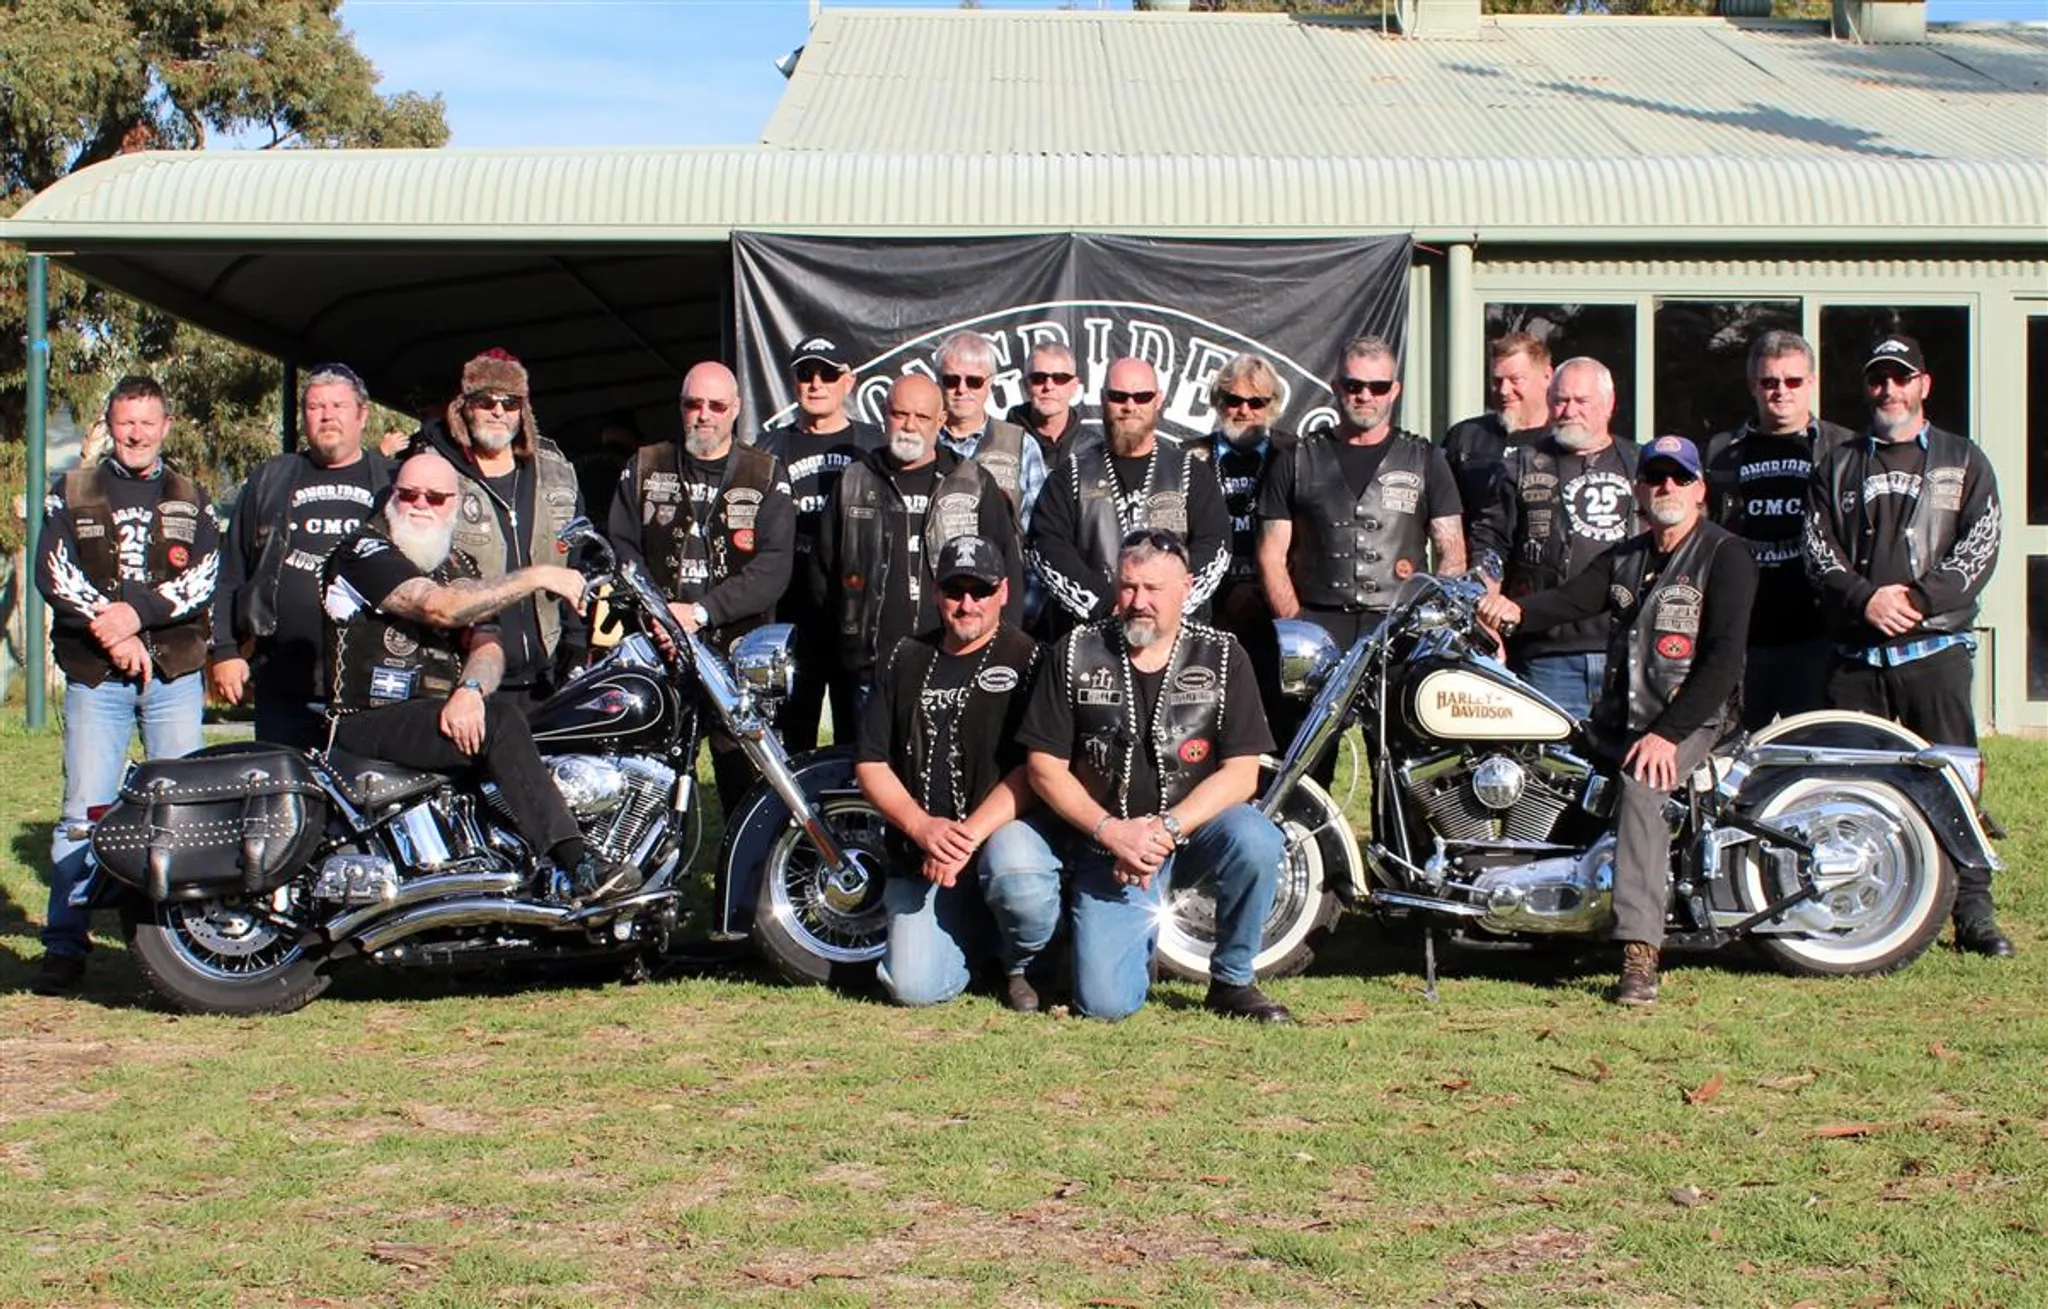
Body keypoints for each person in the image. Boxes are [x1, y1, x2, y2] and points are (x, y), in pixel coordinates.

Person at [1479, 436, 1758, 1006]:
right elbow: (1570, 600)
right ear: (1638, 489)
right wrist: (1512, 611)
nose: (1667, 488)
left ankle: (1639, 952)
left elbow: (1724, 660)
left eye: (1680, 478)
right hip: (1623, 716)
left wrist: (1668, 734)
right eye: (1655, 477)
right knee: (1547, 761)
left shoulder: (1725, 555)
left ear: (1700, 489)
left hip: (1692, 721)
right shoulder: (1629, 556)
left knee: (1641, 785)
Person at [987, 530, 1291, 1023]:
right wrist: (1114, 832)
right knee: (1106, 1006)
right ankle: (1074, 943)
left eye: (1153, 589)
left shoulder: (1223, 655)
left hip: (1189, 838)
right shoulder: (1075, 652)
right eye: (1129, 587)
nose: (1138, 602)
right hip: (1103, 847)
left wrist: (1163, 831)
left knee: (1256, 837)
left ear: (1187, 588)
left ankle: (1233, 981)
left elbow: (1242, 775)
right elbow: (1043, 769)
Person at [322, 452, 630, 899]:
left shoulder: (459, 565)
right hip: (371, 717)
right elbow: (438, 607)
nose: (420, 504)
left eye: (435, 496)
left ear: (456, 503)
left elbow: (486, 643)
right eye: (408, 494)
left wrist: (470, 690)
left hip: (437, 713)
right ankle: (578, 864)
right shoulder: (365, 551)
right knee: (502, 720)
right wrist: (539, 575)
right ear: (392, 497)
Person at [1805, 333, 2009, 957]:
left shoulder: (1963, 459)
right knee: (1850, 784)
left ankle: (1973, 910)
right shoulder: (1837, 462)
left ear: (1924, 384)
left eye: (1901, 377)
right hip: (1857, 661)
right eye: (1877, 379)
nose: (1888, 390)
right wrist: (1865, 597)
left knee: (1953, 780)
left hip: (1933, 655)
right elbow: (1817, 552)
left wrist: (1918, 599)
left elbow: (1983, 542)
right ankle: (1855, 906)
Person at [33, 374, 221, 996]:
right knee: (82, 815)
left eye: (147, 421)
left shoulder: (193, 497)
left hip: (174, 675)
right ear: (108, 425)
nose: (136, 433)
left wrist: (136, 615)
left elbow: (203, 579)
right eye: (124, 421)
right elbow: (53, 573)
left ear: (166, 426)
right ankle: (65, 948)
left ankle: (182, 943)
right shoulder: (72, 490)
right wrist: (114, 633)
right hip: (97, 677)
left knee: (180, 815)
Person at [855, 536, 1047, 1009]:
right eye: (954, 590)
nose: (967, 605)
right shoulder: (903, 657)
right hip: (924, 854)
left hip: (999, 838)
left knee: (1016, 868)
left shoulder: (1031, 660)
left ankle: (1023, 960)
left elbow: (1036, 768)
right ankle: (980, 946)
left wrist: (964, 838)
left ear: (1003, 591)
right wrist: (922, 827)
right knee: (912, 988)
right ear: (936, 592)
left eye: (979, 591)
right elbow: (871, 762)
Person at [608, 362, 795, 815]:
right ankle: (649, 876)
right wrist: (658, 614)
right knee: (648, 775)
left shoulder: (766, 473)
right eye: (694, 404)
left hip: (734, 653)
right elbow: (621, 548)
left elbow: (773, 567)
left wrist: (702, 612)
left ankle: (743, 879)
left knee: (745, 783)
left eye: (716, 405)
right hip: (658, 649)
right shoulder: (644, 465)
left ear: (735, 410)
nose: (704, 415)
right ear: (681, 408)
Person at [209, 362, 391, 749]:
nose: (327, 415)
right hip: (283, 685)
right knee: (286, 801)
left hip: (372, 685)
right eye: (315, 406)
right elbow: (230, 572)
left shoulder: (394, 483)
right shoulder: (270, 480)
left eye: (338, 406)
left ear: (362, 415)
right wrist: (224, 650)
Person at [814, 374, 1022, 708]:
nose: (909, 425)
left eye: (922, 417)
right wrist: (846, 649)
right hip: (871, 675)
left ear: (940, 421)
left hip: (955, 670)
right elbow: (823, 578)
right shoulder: (852, 482)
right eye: (900, 414)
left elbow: (1007, 572)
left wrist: (998, 654)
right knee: (869, 762)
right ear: (885, 414)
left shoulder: (974, 483)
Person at [411, 348, 587, 705]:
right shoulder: (432, 471)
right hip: (461, 677)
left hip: (547, 675)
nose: (497, 411)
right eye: (485, 400)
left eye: (509, 403)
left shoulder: (556, 471)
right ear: (464, 406)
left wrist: (577, 639)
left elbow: (581, 558)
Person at [1472, 356, 1640, 722]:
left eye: (1582, 401)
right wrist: (1487, 614)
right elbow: (1490, 545)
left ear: (1609, 404)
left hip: (1631, 654)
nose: (1569, 411)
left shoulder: (1641, 464)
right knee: (1549, 772)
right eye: (1561, 400)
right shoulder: (1519, 465)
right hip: (1546, 654)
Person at [1703, 331, 1855, 729]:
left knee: (1809, 750)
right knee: (1731, 754)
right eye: (1770, 382)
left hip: (1815, 634)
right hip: (1745, 635)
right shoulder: (1723, 451)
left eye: (1793, 382)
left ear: (1812, 384)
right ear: (1753, 385)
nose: (1781, 392)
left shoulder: (1841, 451)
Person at [1027, 357, 1231, 633]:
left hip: (1177, 640)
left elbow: (1215, 547)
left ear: (1158, 400)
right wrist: (1107, 603)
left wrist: (1164, 603)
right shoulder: (1071, 474)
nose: (1130, 406)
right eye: (1119, 396)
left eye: (1142, 397)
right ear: (1102, 399)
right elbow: (1046, 548)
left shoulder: (1190, 473)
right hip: (1093, 638)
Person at [755, 335, 886, 750]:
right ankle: (794, 815)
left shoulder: (874, 445)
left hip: (854, 611)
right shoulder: (768, 449)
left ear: (849, 381)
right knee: (792, 733)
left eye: (828, 374)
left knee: (857, 733)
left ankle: (852, 816)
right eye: (805, 373)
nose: (816, 383)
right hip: (790, 610)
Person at [1205, 353, 1297, 734]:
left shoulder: (1296, 455)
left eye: (1256, 402)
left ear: (1272, 407)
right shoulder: (1189, 456)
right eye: (1233, 400)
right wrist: (1225, 596)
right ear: (1217, 402)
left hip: (1277, 609)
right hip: (1213, 612)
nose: (1243, 410)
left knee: (1285, 727)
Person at [932, 331, 1048, 529]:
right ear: (938, 381)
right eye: (951, 380)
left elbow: (1038, 525)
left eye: (974, 381)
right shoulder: (922, 443)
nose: (962, 389)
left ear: (990, 383)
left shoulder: (1022, 446)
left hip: (1002, 558)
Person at [1440, 332, 1553, 530]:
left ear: (1547, 377)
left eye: (1515, 379)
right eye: (1497, 381)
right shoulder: (1465, 438)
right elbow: (1440, 513)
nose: (1503, 391)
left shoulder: (1565, 440)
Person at [1004, 342, 1085, 459]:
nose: (1048, 386)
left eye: (1060, 378)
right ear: (1026, 385)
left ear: (1074, 386)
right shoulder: (998, 445)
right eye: (1038, 378)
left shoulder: (1093, 449)